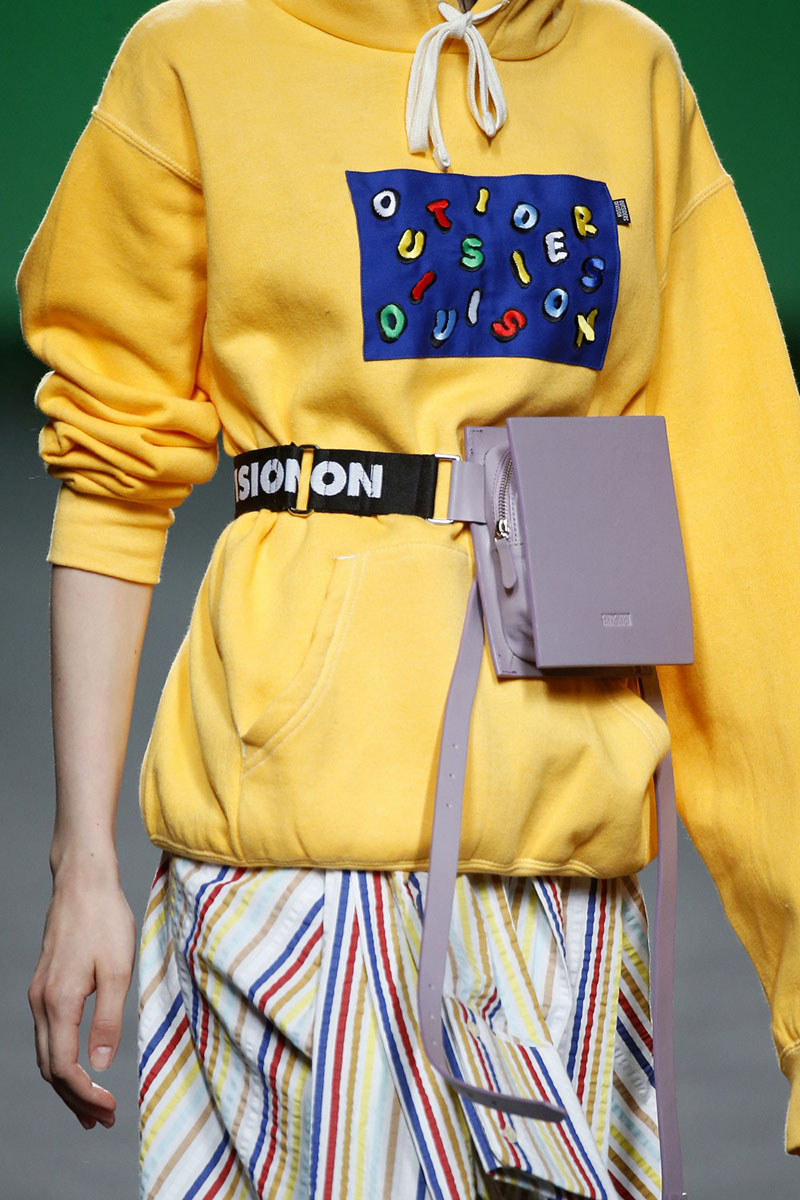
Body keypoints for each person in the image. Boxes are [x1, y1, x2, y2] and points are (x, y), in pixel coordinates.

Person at [17, 0, 800, 1196]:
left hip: (566, 867)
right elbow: (114, 471)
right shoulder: (200, 54)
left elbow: (743, 522)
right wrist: (83, 868)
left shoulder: (627, 70)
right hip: (287, 858)